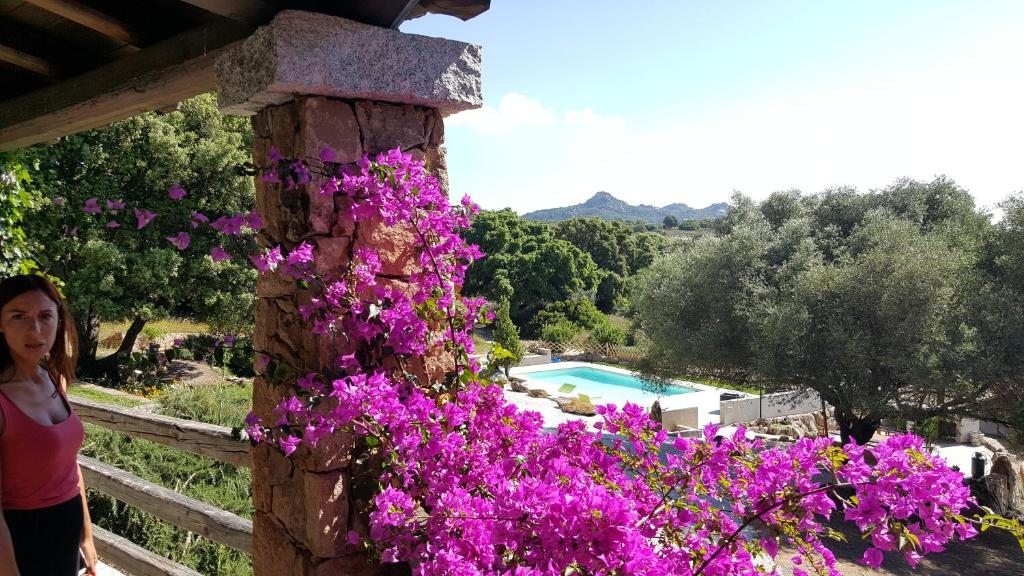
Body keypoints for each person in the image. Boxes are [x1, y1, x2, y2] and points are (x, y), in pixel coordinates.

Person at [0, 275, 96, 576]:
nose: (35, 330)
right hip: (18, 535)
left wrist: (87, 536)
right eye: (19, 316)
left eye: (45, 316)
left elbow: (69, 465)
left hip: (65, 528)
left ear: (59, 321)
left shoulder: (55, 379)